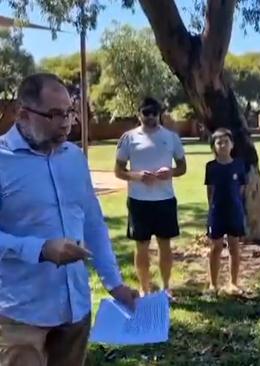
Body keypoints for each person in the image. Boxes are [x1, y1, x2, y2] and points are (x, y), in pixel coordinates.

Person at [0, 73, 138, 366]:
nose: (66, 123)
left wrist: (114, 283)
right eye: (54, 114)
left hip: (74, 310)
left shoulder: (74, 157)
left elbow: (93, 223)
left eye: (69, 113)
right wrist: (40, 249)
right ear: (22, 114)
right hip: (18, 314)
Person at [114, 97, 187, 296]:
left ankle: (166, 287)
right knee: (142, 247)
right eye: (146, 112)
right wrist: (136, 176)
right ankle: (145, 288)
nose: (151, 116)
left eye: (154, 112)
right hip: (139, 202)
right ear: (139, 114)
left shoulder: (171, 137)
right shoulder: (128, 138)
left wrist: (170, 172)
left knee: (165, 246)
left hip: (165, 200)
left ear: (159, 114)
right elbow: (118, 171)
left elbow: (182, 167)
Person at [204, 128, 247, 295]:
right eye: (218, 142)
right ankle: (213, 284)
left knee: (234, 248)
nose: (222, 145)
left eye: (226, 141)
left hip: (234, 212)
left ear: (232, 144)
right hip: (217, 213)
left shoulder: (238, 164)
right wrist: (212, 211)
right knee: (215, 249)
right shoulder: (211, 167)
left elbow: (241, 189)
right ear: (214, 146)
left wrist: (237, 205)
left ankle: (233, 283)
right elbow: (210, 192)